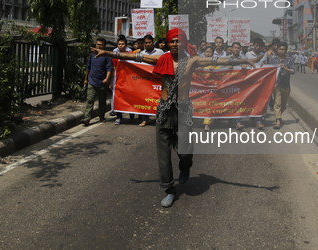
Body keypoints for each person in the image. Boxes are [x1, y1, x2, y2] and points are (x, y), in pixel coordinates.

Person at [91, 29, 260, 208]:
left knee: (184, 149)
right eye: (171, 41)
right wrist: (108, 53)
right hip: (164, 110)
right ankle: (169, 189)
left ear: (184, 44)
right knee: (163, 152)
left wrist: (244, 60)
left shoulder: (193, 61)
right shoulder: (161, 59)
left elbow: (218, 60)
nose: (173, 44)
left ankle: (186, 165)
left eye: (177, 42)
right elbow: (131, 57)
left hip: (183, 109)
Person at [264, 41, 295, 129]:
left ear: (286, 51)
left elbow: (293, 71)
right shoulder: (273, 59)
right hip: (276, 84)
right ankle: (278, 121)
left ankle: (279, 116)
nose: (281, 51)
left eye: (283, 49)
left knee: (283, 104)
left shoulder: (289, 60)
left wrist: (284, 68)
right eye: (280, 49)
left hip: (286, 85)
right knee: (277, 102)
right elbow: (268, 69)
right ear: (277, 50)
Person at [83, 38, 113, 126]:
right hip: (91, 81)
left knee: (102, 101)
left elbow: (109, 69)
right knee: (90, 99)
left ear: (104, 46)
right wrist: (85, 79)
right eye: (97, 44)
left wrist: (107, 79)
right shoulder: (91, 55)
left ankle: (102, 116)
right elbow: (88, 68)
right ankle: (87, 118)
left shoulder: (107, 56)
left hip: (102, 82)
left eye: (101, 45)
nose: (99, 46)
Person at [137, 34, 165, 127]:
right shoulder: (141, 54)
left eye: (149, 42)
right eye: (146, 43)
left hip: (158, 80)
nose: (147, 44)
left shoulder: (160, 52)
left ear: (153, 42)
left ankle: (160, 118)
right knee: (144, 99)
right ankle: (145, 119)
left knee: (158, 99)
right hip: (145, 80)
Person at [111, 36, 132, 124]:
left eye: (122, 44)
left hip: (129, 79)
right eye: (119, 44)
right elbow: (114, 68)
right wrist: (112, 81)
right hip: (119, 79)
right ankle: (119, 117)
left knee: (130, 96)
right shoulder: (115, 55)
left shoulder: (131, 55)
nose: (120, 46)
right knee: (118, 98)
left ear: (126, 45)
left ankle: (132, 113)